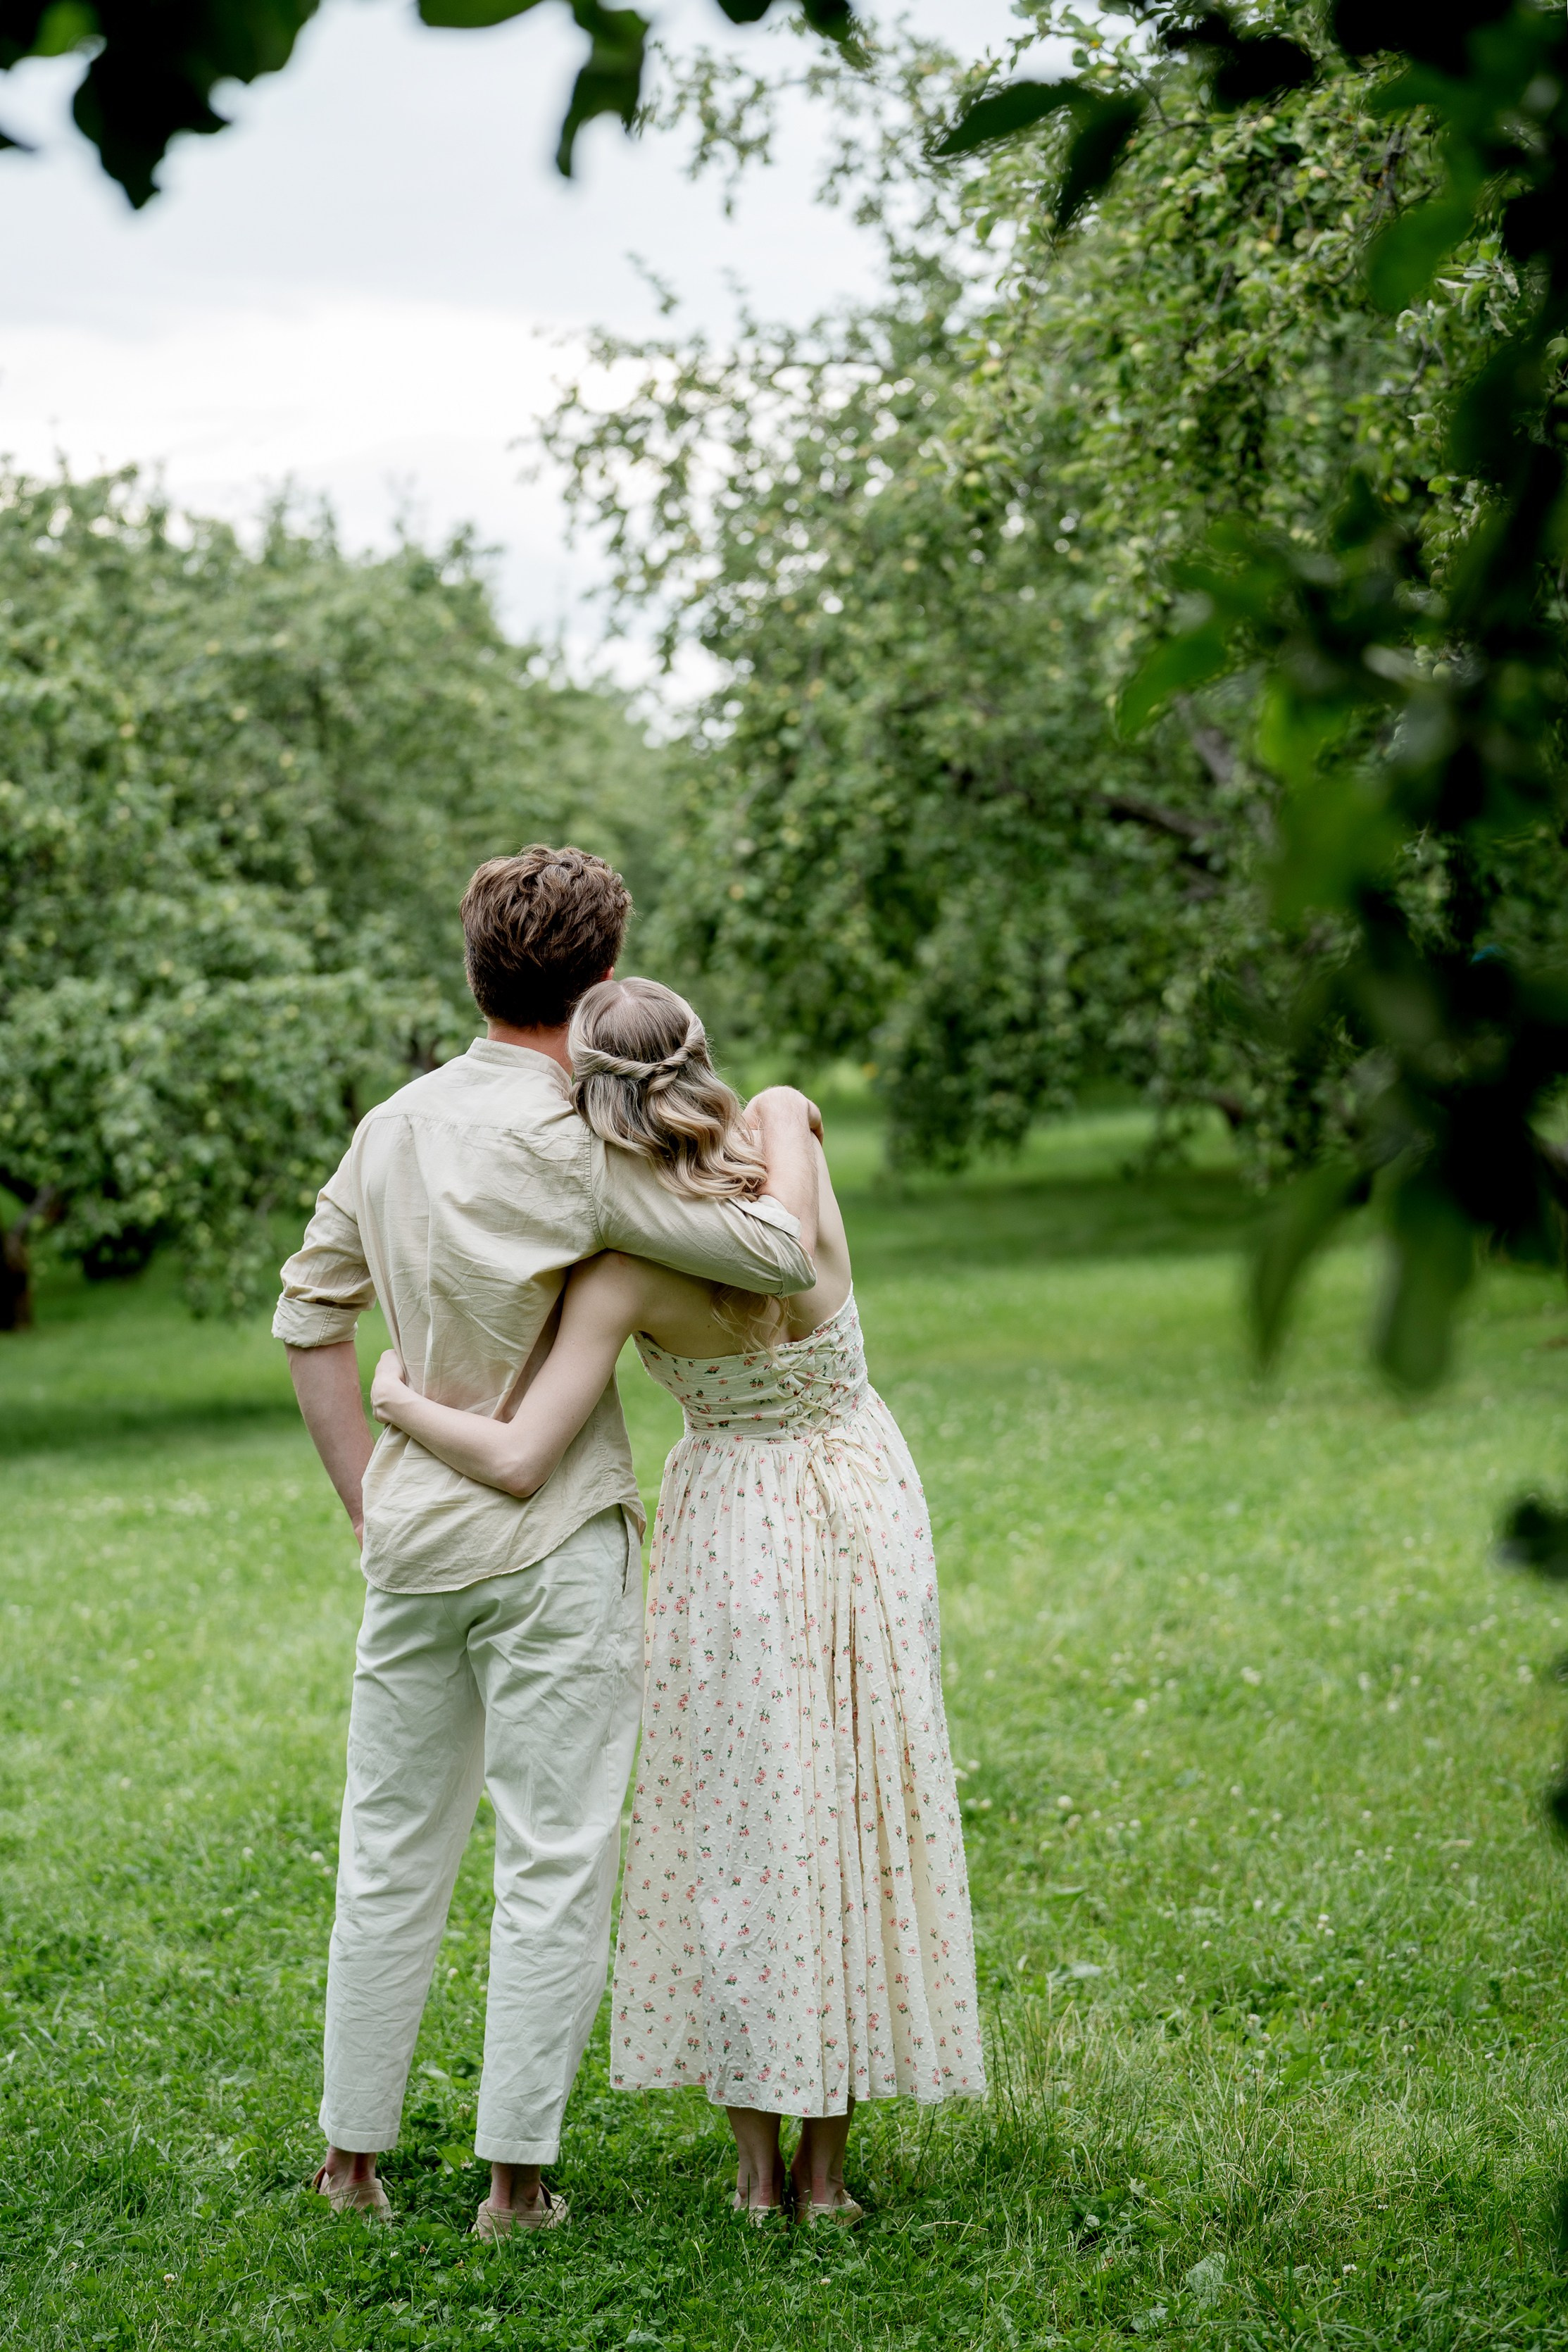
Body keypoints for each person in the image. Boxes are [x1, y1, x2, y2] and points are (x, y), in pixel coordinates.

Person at [371, 975, 984, 2224]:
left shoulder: (620, 1273)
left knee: (744, 1825)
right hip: (864, 1500)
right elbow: (784, 1230)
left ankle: (756, 2175)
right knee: (849, 1807)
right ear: (701, 1056)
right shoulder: (789, 1121)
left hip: (736, 1533)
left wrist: (396, 1398)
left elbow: (517, 1458)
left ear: (587, 1103)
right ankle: (825, 2178)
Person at [273, 849, 822, 2237]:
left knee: (387, 1847)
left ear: (474, 971)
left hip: (413, 1543)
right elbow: (774, 1257)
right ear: (601, 980)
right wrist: (780, 1120)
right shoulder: (589, 1144)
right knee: (554, 1854)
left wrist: (368, 1498)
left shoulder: (391, 1126)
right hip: (553, 1539)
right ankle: (514, 2184)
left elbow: (309, 1315)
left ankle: (350, 2165)